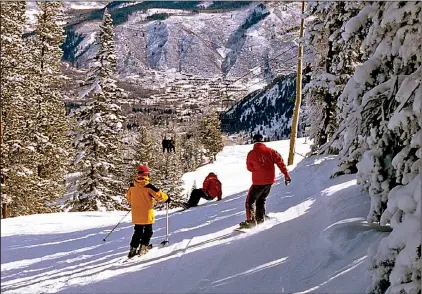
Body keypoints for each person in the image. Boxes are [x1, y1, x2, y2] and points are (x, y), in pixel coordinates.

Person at [239, 134, 291, 229]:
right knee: (261, 199)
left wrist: (257, 169)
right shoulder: (271, 151)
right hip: (269, 182)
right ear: (263, 141)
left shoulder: (251, 153)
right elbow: (281, 163)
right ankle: (260, 218)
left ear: (254, 141)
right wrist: (286, 175)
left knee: (250, 201)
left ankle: (251, 221)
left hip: (258, 182)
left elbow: (249, 168)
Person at [126, 164, 170, 258]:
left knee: (137, 232)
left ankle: (133, 249)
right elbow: (159, 194)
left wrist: (135, 203)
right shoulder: (148, 186)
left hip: (136, 214)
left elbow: (128, 197)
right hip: (146, 213)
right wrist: (167, 198)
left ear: (138, 174)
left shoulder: (132, 185)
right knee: (148, 231)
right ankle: (143, 247)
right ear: (146, 174)